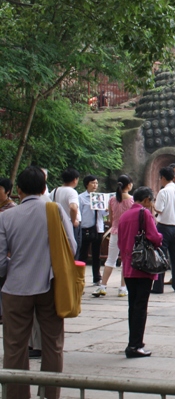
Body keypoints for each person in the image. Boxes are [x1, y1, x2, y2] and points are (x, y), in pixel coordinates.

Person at [0, 166, 75, 399]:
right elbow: (71, 248)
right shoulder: (55, 211)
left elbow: (1, 261)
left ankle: (16, 394)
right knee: (52, 344)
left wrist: (12, 269)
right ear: (44, 188)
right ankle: (50, 394)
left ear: (18, 191)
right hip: (50, 285)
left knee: (15, 346)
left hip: (16, 288)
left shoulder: (5, 217)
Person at [117, 186, 163, 358]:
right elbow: (155, 237)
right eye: (151, 201)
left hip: (128, 266)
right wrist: (160, 237)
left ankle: (132, 342)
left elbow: (120, 242)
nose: (152, 205)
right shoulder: (144, 214)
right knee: (141, 306)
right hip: (143, 267)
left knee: (133, 305)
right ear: (146, 200)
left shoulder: (124, 216)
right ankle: (136, 345)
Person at [95, 175, 133, 297]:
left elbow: (111, 219)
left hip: (115, 231)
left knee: (110, 259)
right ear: (129, 185)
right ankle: (122, 288)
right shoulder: (132, 200)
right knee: (125, 260)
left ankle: (103, 286)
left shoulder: (112, 199)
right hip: (127, 233)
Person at [152, 167, 175, 294]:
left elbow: (159, 209)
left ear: (163, 177)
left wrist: (152, 205)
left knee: (161, 257)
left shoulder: (163, 192)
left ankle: (158, 287)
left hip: (164, 227)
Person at [77, 174, 106, 285]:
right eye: (93, 183)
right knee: (83, 254)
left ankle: (97, 277)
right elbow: (79, 213)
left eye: (96, 183)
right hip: (86, 228)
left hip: (98, 228)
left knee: (96, 254)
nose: (95, 185)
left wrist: (106, 209)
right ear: (87, 184)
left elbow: (103, 214)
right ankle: (80, 278)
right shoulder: (81, 197)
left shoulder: (99, 197)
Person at [50, 168, 81, 258]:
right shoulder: (72, 192)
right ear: (75, 180)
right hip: (70, 226)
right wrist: (73, 221)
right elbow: (73, 207)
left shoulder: (54, 191)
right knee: (73, 252)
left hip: (58, 224)